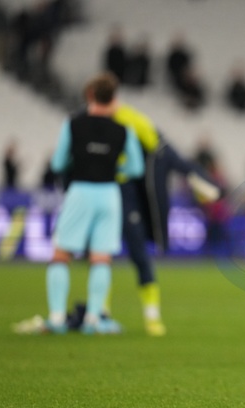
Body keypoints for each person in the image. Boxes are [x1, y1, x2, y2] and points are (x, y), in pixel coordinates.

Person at [43, 72, 144, 334]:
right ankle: (93, 319)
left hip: (80, 191)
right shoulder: (124, 130)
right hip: (109, 193)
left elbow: (57, 163)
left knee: (61, 255)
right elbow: (136, 168)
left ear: (90, 95)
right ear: (114, 98)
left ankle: (56, 318)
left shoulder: (73, 124)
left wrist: (79, 161)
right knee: (101, 258)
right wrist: (114, 169)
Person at [110, 101, 220, 336]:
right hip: (121, 190)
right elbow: (161, 150)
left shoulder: (123, 119)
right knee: (109, 255)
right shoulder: (126, 118)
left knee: (127, 254)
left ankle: (143, 315)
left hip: (125, 191)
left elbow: (154, 151)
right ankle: (101, 312)